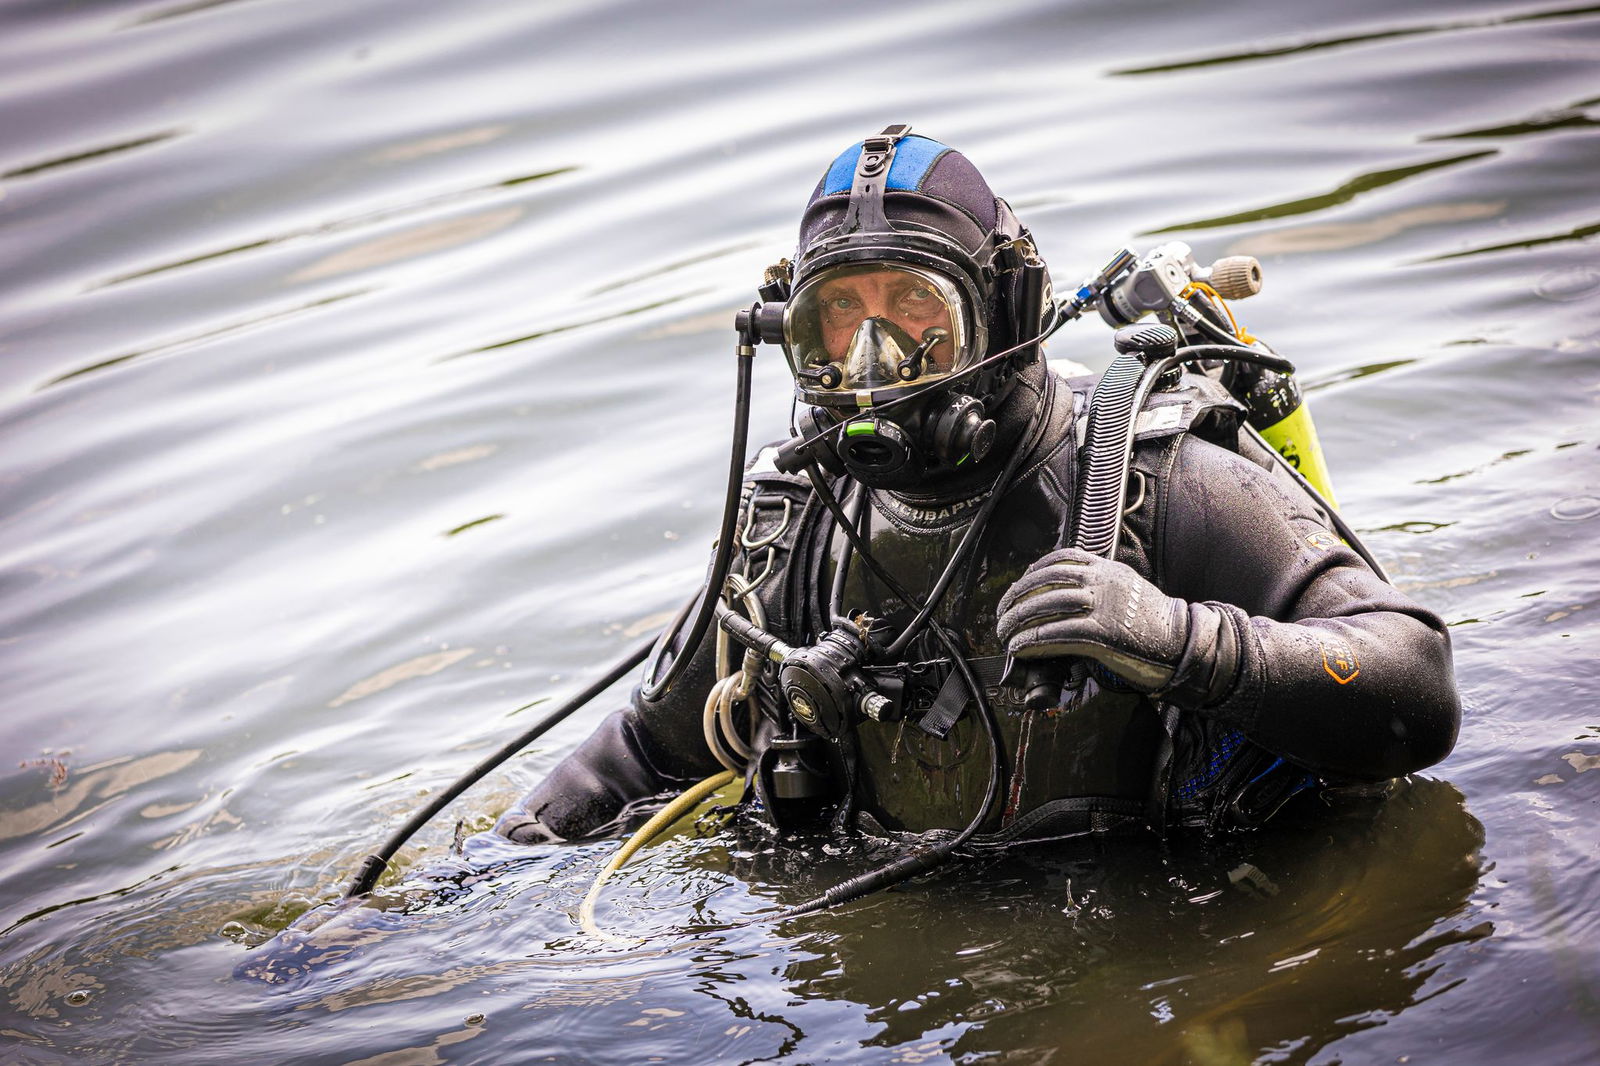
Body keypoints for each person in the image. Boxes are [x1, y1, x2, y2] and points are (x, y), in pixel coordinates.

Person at [494, 127, 1460, 853]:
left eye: (916, 309)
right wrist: (472, 890)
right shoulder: (796, 534)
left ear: (1001, 315)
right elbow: (645, 754)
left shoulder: (1160, 484)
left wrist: (1180, 643)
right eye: (839, 322)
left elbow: (1417, 690)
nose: (875, 362)